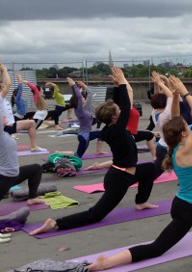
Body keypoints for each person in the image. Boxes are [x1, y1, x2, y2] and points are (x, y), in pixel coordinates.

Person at [87, 75, 192, 272]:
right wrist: (186, 92)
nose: (190, 128)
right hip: (186, 210)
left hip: (189, 201)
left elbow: (176, 115)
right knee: (157, 248)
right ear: (183, 134)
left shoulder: (175, 146)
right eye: (187, 128)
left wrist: (176, 94)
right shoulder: (185, 150)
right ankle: (107, 262)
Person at [29, 67, 157, 236]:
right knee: (95, 215)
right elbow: (125, 106)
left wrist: (117, 85)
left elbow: (120, 106)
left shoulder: (110, 128)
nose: (121, 111)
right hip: (119, 179)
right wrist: (123, 83)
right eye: (118, 112)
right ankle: (56, 224)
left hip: (126, 173)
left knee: (149, 169)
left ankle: (141, 202)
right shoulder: (117, 130)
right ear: (114, 117)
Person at [0, 65, 47, 208]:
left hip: (11, 177)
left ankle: (32, 198)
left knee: (36, 168)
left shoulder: (5, 132)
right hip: (4, 178)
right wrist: (4, 70)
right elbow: (7, 84)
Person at [3, 71, 45, 152]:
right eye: (20, 92)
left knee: (31, 121)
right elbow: (20, 90)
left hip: (21, 116)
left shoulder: (21, 99)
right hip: (17, 116)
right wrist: (20, 80)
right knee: (10, 131)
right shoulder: (17, 99)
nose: (22, 93)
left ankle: (33, 145)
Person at [66, 77, 104, 158]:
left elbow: (84, 95)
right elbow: (79, 96)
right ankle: (60, 154)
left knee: (103, 132)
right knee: (78, 156)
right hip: (84, 137)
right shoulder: (80, 110)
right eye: (83, 98)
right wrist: (74, 85)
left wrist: (80, 86)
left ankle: (101, 149)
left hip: (86, 134)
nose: (83, 98)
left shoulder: (83, 108)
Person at [150, 71, 174, 179]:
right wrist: (160, 82)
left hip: (161, 146)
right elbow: (170, 96)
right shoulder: (166, 115)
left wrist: (157, 83)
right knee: (152, 175)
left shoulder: (154, 112)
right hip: (167, 149)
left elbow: (156, 96)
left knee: (153, 173)